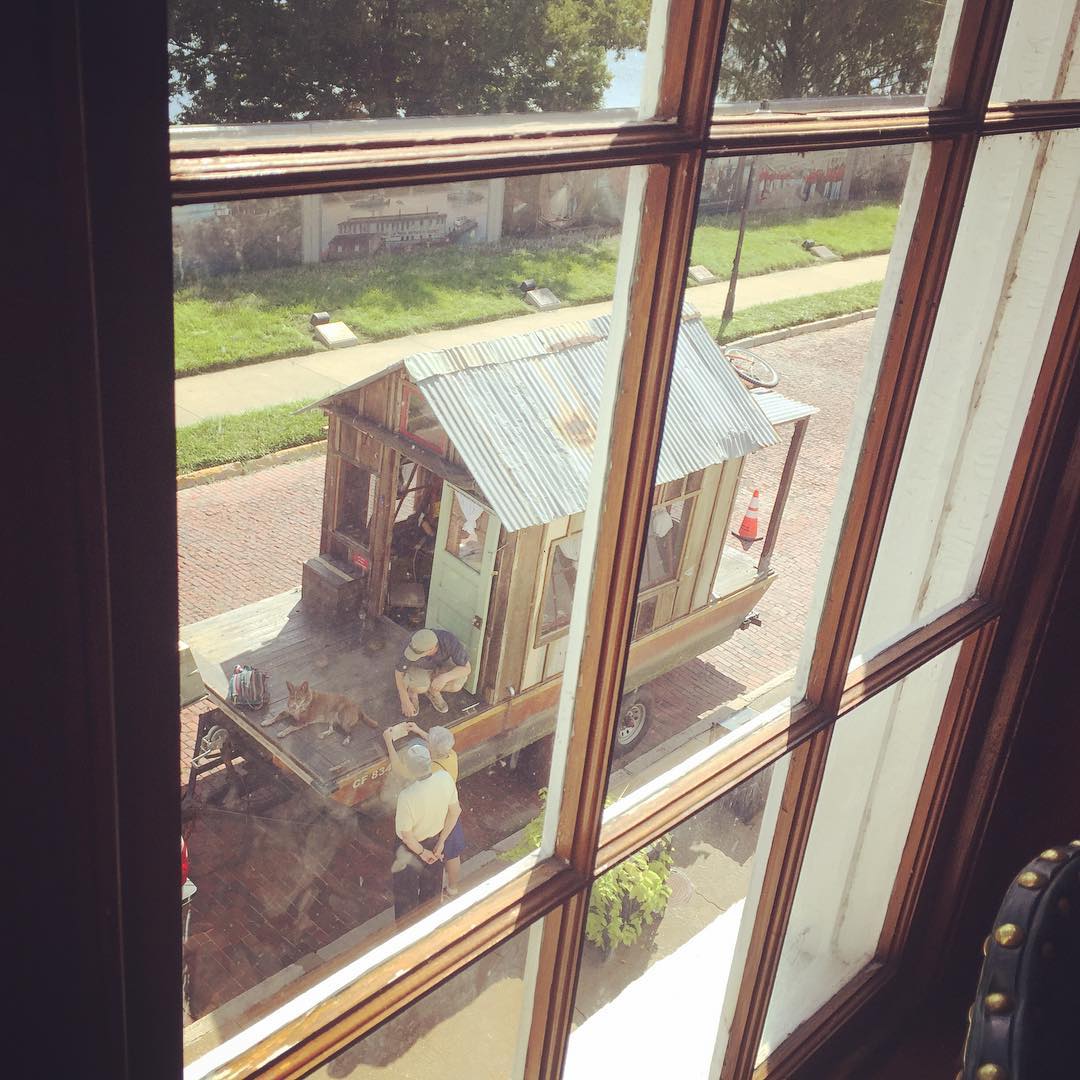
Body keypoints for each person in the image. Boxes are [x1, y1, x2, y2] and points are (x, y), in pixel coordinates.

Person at [383, 726, 460, 921]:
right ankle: (429, 926)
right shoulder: (444, 779)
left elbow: (407, 836)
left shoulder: (407, 796)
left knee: (405, 895)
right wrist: (441, 843)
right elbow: (455, 811)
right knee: (431, 894)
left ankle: (407, 932)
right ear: (429, 761)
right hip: (435, 843)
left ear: (410, 768)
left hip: (412, 850)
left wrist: (421, 853)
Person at [405, 722, 464, 895]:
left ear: (431, 750)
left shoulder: (433, 769)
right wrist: (418, 730)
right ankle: (453, 888)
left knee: (445, 852)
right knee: (453, 853)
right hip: (451, 806)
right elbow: (437, 743)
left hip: (441, 814)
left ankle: (437, 891)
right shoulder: (450, 754)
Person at [395, 627, 471, 716]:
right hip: (418, 668)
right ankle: (412, 693)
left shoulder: (448, 640)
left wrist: (444, 678)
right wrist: (404, 700)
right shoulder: (410, 645)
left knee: (456, 685)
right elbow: (398, 672)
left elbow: (467, 668)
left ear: (432, 648)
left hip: (439, 666)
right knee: (420, 687)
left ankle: (433, 691)